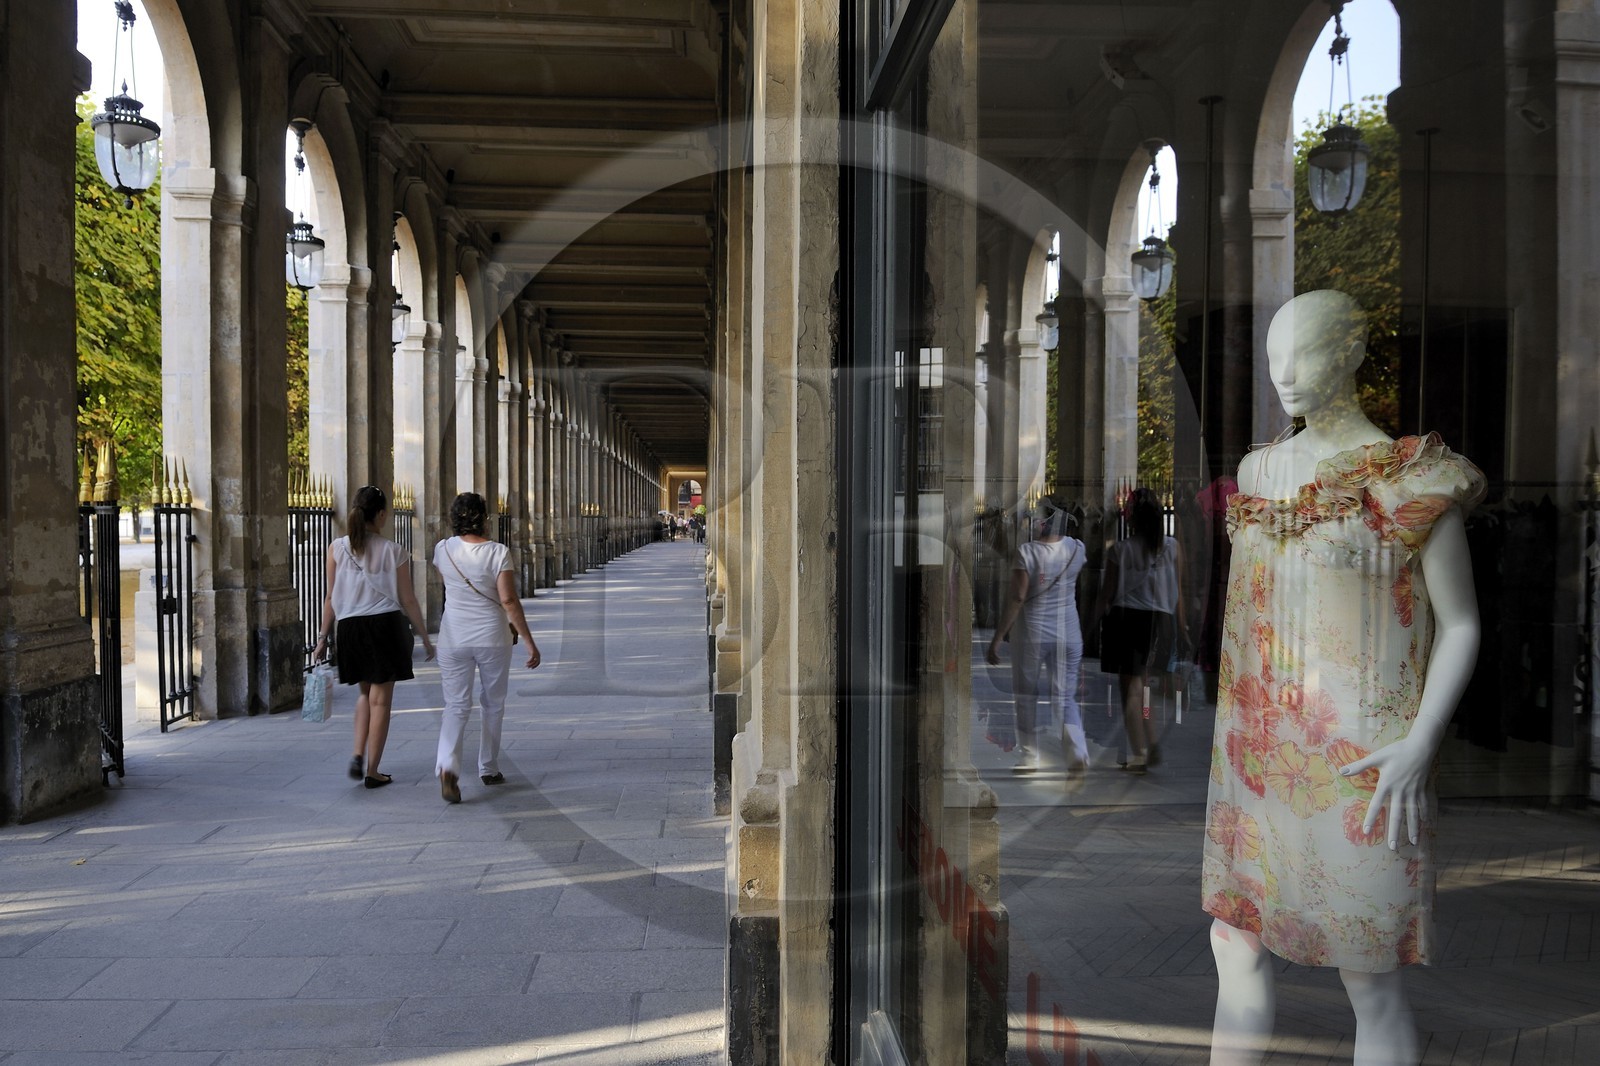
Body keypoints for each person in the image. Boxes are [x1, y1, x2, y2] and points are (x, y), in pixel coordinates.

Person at [1203, 290, 1484, 1065]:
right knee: (1236, 947)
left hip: (1367, 758)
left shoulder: (1416, 481)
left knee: (1372, 975)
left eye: (1309, 353)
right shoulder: (1257, 472)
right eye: (1275, 357)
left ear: (1353, 354)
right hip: (1256, 762)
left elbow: (1461, 622)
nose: (1286, 374)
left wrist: (1424, 740)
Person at [312, 485, 433, 789]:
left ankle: (356, 752)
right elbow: (408, 600)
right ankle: (373, 770)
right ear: (380, 515)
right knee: (381, 703)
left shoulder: (336, 548)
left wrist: (323, 637)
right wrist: (425, 637)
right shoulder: (395, 552)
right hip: (385, 626)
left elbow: (330, 597)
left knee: (365, 695)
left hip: (350, 629)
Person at [431, 491, 541, 804]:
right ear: (485, 520)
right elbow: (508, 600)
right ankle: (488, 767)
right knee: (493, 703)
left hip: (454, 637)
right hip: (493, 637)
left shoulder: (443, 549)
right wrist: (530, 642)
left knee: (455, 705)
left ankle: (448, 767)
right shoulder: (498, 553)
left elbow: (449, 584)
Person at [985, 496, 1090, 784]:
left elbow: (1018, 598)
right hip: (1069, 632)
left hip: (1032, 633)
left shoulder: (1027, 553)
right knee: (1065, 697)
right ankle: (1077, 753)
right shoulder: (1076, 549)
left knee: (1026, 695)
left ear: (1044, 521)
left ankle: (1030, 757)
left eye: (1036, 516)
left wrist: (997, 637)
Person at [1093, 485, 1186, 774]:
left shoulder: (1119, 551)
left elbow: (1106, 596)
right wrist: (1182, 626)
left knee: (1130, 689)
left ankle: (1139, 752)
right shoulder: (1172, 547)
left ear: (1131, 519)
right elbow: (1179, 590)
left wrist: (1090, 624)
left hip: (1127, 620)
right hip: (1161, 621)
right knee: (1145, 688)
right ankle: (1152, 738)